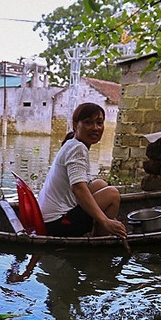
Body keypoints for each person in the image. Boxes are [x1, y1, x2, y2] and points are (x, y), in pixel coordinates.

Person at [38, 102, 127, 238]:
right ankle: (100, 239)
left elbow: (82, 186)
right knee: (112, 194)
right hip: (56, 224)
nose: (95, 128)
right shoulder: (77, 149)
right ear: (75, 125)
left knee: (100, 184)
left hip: (47, 219)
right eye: (88, 123)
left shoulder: (72, 143)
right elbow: (78, 188)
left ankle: (99, 229)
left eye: (99, 123)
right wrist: (105, 221)